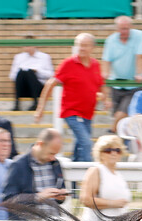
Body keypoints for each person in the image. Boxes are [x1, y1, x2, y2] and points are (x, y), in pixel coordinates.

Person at [35, 33, 106, 163]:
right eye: (79, 45)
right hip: (72, 112)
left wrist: (105, 98)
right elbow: (50, 83)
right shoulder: (68, 63)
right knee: (86, 143)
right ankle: (87, 175)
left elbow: (100, 84)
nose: (82, 48)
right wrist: (40, 108)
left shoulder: (96, 64)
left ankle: (72, 179)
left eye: (85, 45)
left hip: (88, 113)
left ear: (92, 47)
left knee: (79, 146)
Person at [102, 16, 142, 133]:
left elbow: (140, 56)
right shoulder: (111, 40)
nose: (124, 32)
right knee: (119, 116)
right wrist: (105, 74)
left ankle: (111, 132)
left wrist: (139, 73)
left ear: (131, 27)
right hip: (116, 83)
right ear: (117, 28)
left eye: (126, 29)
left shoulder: (140, 36)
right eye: (121, 29)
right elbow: (106, 61)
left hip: (132, 84)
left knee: (122, 113)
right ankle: (119, 141)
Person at [8, 36, 54, 111]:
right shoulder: (18, 57)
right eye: (25, 45)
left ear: (35, 45)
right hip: (23, 88)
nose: (27, 47)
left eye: (29, 45)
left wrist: (37, 71)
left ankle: (36, 103)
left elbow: (51, 75)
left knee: (30, 72)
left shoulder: (44, 57)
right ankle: (17, 104)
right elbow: (12, 76)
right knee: (23, 72)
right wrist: (23, 72)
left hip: (38, 88)